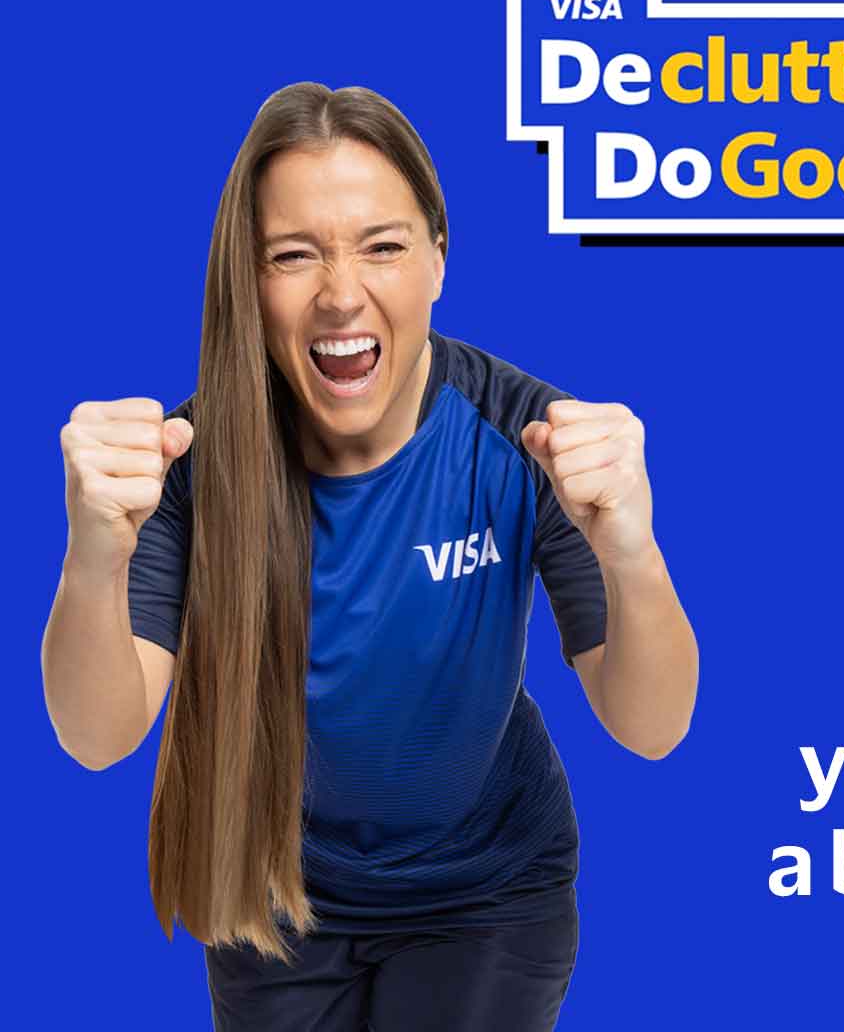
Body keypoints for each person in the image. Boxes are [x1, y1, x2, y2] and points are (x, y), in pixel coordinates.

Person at [42, 82, 699, 1031]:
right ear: (247, 280)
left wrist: (632, 550)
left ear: (439, 258)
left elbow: (653, 725)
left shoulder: (527, 439)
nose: (341, 292)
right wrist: (94, 553)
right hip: (272, 892)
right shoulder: (192, 462)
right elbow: (95, 736)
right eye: (293, 256)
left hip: (487, 895)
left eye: (383, 246)